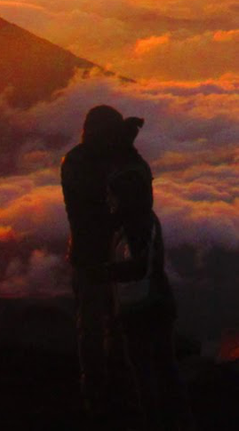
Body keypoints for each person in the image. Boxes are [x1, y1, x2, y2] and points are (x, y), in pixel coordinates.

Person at [61, 104, 153, 419]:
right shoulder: (79, 162)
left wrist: (125, 150)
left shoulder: (89, 159)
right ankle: (97, 394)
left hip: (113, 257)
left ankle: (116, 390)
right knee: (93, 327)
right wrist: (124, 150)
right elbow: (102, 192)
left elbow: (137, 184)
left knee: (116, 326)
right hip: (92, 259)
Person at [92, 166, 193, 430]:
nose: (108, 200)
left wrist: (104, 272)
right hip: (154, 307)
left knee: (148, 377)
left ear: (124, 196)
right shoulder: (141, 220)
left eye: (112, 195)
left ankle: (159, 422)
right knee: (163, 371)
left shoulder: (135, 226)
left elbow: (139, 267)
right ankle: (176, 422)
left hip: (143, 310)